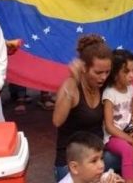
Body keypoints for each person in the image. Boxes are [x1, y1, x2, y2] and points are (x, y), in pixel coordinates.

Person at [53, 35, 117, 181]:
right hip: (71, 163)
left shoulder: (104, 85)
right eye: (98, 72)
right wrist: (72, 81)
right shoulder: (71, 86)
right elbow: (57, 120)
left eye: (107, 72)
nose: (103, 77)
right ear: (84, 68)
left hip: (98, 156)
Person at [101, 50, 133, 183]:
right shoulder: (109, 94)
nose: (132, 75)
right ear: (115, 73)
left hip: (127, 132)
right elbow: (109, 127)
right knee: (128, 150)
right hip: (113, 137)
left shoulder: (131, 89)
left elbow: (132, 115)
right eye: (126, 71)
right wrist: (131, 141)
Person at [59, 132, 124, 183]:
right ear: (74, 167)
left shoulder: (89, 179)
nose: (101, 165)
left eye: (101, 158)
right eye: (94, 161)